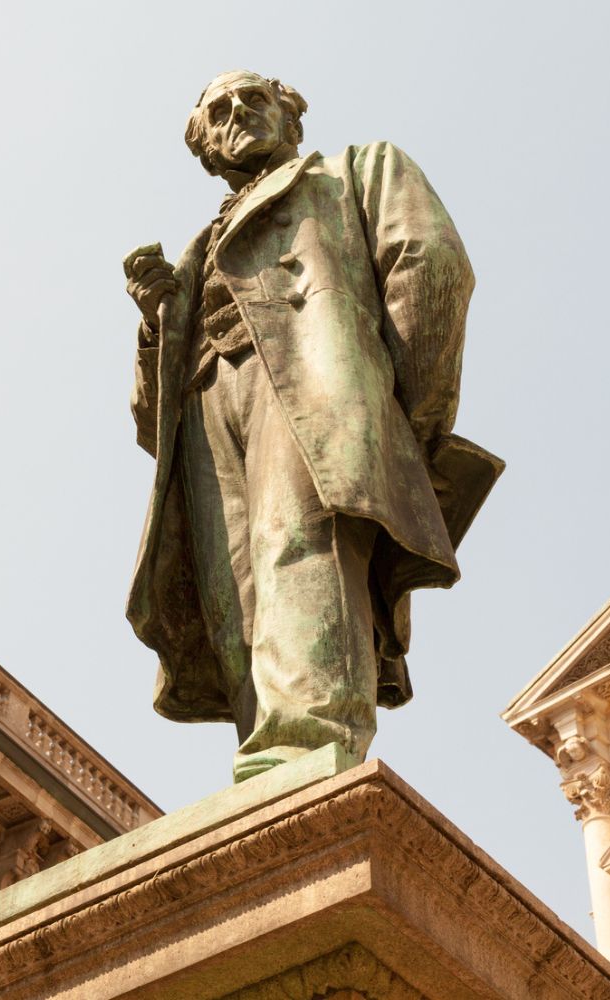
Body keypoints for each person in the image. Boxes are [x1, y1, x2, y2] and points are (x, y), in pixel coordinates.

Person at [122, 71, 500, 781]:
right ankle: (266, 760)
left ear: (291, 117)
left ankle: (305, 747)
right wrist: (158, 322)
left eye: (253, 100)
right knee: (235, 598)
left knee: (299, 551)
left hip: (313, 384)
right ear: (204, 147)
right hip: (209, 409)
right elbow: (151, 425)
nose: (238, 115)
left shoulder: (356, 169)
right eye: (220, 112)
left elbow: (432, 264)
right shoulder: (198, 249)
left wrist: (392, 411)